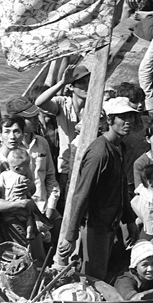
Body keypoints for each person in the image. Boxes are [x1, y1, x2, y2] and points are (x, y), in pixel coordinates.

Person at [56, 97, 139, 281]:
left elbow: (121, 187)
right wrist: (71, 235)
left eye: (131, 117)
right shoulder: (99, 153)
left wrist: (129, 220)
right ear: (109, 120)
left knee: (102, 271)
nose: (128, 122)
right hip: (95, 226)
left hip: (111, 222)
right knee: (92, 277)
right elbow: (81, 195)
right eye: (122, 117)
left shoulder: (119, 147)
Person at [4, 96, 61, 251]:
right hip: (21, 213)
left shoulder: (41, 143)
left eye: (36, 116)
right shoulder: (7, 150)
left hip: (45, 206)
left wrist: (50, 207)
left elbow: (50, 177)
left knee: (63, 237)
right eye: (31, 118)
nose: (37, 120)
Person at [35, 62, 91, 202]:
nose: (86, 86)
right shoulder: (63, 103)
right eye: (81, 83)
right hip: (66, 166)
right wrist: (62, 82)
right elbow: (39, 102)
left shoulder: (95, 106)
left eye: (88, 82)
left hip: (88, 164)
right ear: (71, 87)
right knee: (64, 201)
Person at [0, 149, 52, 260]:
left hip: (10, 215)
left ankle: (33, 239)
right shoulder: (21, 177)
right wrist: (22, 202)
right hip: (18, 212)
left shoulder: (4, 175)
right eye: (27, 167)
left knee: (24, 241)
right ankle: (31, 235)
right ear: (18, 168)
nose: (28, 169)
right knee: (29, 219)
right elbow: (28, 195)